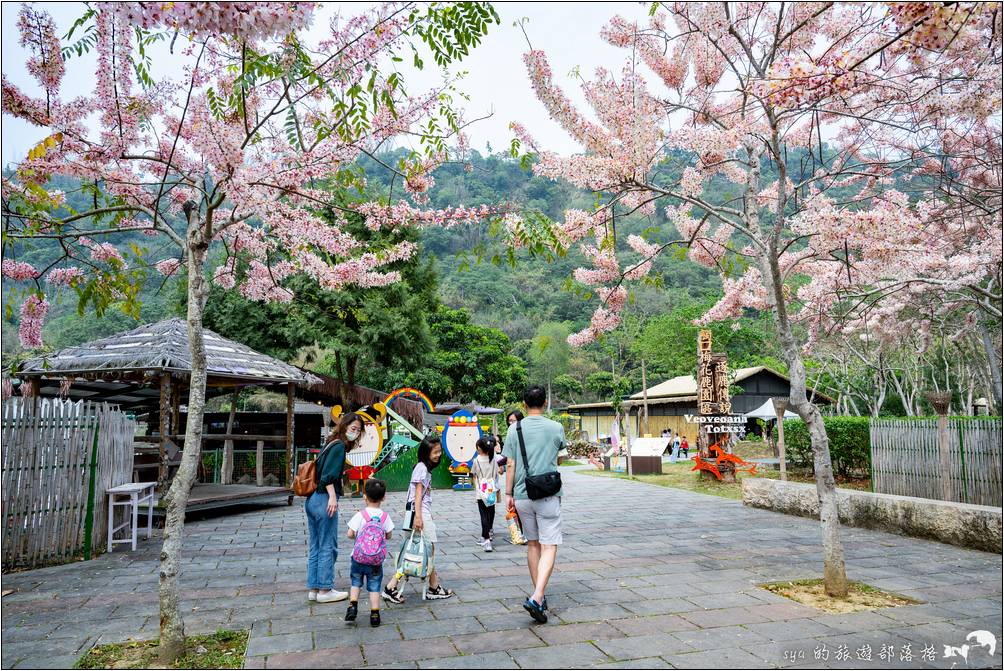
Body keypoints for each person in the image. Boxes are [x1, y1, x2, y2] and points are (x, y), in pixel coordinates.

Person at [503, 384, 567, 624]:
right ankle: (538, 595)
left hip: (521, 494)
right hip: (548, 494)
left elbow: (510, 463)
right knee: (549, 545)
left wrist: (508, 493)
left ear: (524, 404)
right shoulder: (556, 427)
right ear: (545, 402)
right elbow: (561, 456)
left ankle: (538, 595)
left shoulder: (514, 429)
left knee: (533, 544)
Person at [382, 433, 455, 603]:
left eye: (439, 451)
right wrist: (420, 517)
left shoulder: (423, 468)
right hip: (418, 514)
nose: (438, 455)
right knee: (423, 550)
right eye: (435, 452)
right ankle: (393, 587)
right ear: (426, 452)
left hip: (418, 513)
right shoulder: (421, 468)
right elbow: (417, 493)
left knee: (420, 550)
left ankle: (432, 587)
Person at [306, 413, 362, 604]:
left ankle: (314, 589)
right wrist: (332, 497)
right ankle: (325, 589)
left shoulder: (330, 442)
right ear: (345, 426)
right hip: (324, 499)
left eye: (358, 430)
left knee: (316, 545)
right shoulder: (338, 446)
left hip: (312, 500)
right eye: (353, 428)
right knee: (328, 546)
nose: (355, 433)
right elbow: (328, 476)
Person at [345, 478, 394, 627]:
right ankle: (374, 614)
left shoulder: (360, 515)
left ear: (364, 496)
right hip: (375, 561)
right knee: (374, 586)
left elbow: (349, 534)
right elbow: (389, 535)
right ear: (383, 497)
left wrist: (358, 535)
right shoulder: (385, 517)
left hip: (358, 558)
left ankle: (353, 606)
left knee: (356, 582)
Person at [472, 435, 500, 552]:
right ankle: (488, 533)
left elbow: (474, 474)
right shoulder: (493, 459)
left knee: (483, 515)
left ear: (479, 448)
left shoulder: (476, 460)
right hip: (491, 489)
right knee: (491, 512)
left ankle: (486, 539)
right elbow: (497, 473)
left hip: (481, 490)